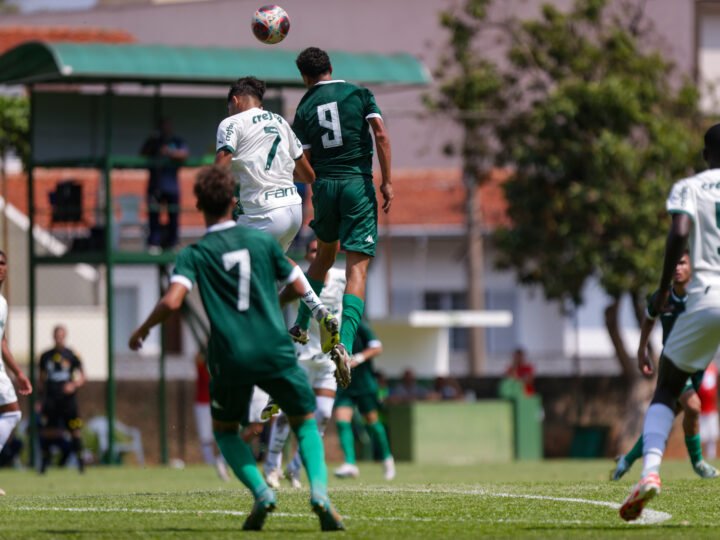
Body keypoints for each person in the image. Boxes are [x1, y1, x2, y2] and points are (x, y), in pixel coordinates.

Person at [128, 165, 343, 531]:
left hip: (228, 354)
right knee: (304, 421)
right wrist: (276, 305)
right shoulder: (260, 242)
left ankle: (261, 492)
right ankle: (320, 494)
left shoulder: (195, 254)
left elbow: (173, 301)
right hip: (274, 346)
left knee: (226, 430)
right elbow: (297, 282)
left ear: (198, 204)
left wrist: (144, 329)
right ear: (233, 201)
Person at [214, 77, 339, 429]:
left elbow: (220, 164)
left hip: (260, 213)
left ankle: (272, 365)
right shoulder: (280, 122)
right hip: (292, 211)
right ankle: (313, 316)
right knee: (273, 275)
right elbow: (307, 173)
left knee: (237, 280)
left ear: (236, 100)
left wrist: (216, 193)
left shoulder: (231, 123)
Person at [619, 124, 720, 521]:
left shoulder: (689, 187)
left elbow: (679, 231)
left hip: (708, 296)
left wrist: (664, 288)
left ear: (704, 154)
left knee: (667, 387)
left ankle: (650, 473)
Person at [280, 47, 394, 388]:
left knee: (324, 255)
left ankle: (301, 323)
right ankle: (343, 342)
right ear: (330, 68)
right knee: (357, 266)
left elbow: (303, 159)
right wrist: (386, 180)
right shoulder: (359, 94)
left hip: (325, 186)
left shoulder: (304, 106)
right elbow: (382, 135)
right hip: (357, 184)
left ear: (304, 77)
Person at [612, 253, 718, 481]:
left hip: (698, 367)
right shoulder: (662, 297)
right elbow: (649, 320)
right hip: (674, 366)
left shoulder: (702, 297)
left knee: (665, 420)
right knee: (693, 407)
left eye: (682, 263)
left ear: (692, 268)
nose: (677, 268)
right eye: (673, 264)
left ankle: (626, 460)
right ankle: (698, 463)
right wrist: (641, 351)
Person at [264, 238, 343, 489]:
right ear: (308, 255)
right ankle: (271, 465)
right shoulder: (301, 280)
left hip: (328, 358)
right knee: (288, 414)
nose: (316, 253)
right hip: (303, 355)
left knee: (323, 415)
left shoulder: (342, 278)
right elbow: (284, 297)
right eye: (311, 250)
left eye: (320, 249)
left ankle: (294, 467)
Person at [333, 319, 395, 480]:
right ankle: (350, 463)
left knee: (372, 422)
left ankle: (387, 459)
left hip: (364, 384)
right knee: (341, 421)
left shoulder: (358, 325)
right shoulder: (330, 325)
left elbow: (377, 347)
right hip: (344, 383)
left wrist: (358, 359)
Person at [0, 250, 32, 494]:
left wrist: (19, 373)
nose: (0, 267)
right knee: (12, 413)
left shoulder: (2, 303)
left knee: (12, 414)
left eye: (2, 263)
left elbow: (2, 343)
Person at [38, 325, 85, 474]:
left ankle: (81, 465)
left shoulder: (72, 355)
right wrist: (40, 399)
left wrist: (74, 384)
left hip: (68, 402)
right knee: (47, 431)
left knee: (75, 430)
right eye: (57, 336)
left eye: (61, 336)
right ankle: (44, 465)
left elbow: (83, 376)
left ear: (65, 337)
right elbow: (41, 379)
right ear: (53, 337)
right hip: (51, 400)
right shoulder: (45, 356)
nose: (59, 338)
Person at [140, 118, 189, 252]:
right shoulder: (153, 142)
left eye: (167, 126)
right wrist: (152, 141)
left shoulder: (176, 141)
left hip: (171, 186)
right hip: (155, 185)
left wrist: (169, 152)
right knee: (154, 215)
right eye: (162, 126)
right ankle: (154, 243)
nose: (165, 129)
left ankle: (173, 242)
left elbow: (184, 154)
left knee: (173, 215)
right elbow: (143, 153)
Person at [194, 350, 229, 481]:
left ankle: (222, 461)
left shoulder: (219, 365)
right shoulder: (203, 363)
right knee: (205, 436)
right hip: (203, 403)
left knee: (222, 432)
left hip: (217, 402)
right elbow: (197, 358)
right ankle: (209, 462)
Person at [698, 361, 719, 459]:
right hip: (699, 409)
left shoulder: (714, 369)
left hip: (711, 409)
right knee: (700, 436)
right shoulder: (698, 370)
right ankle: (696, 458)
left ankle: (711, 457)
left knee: (712, 436)